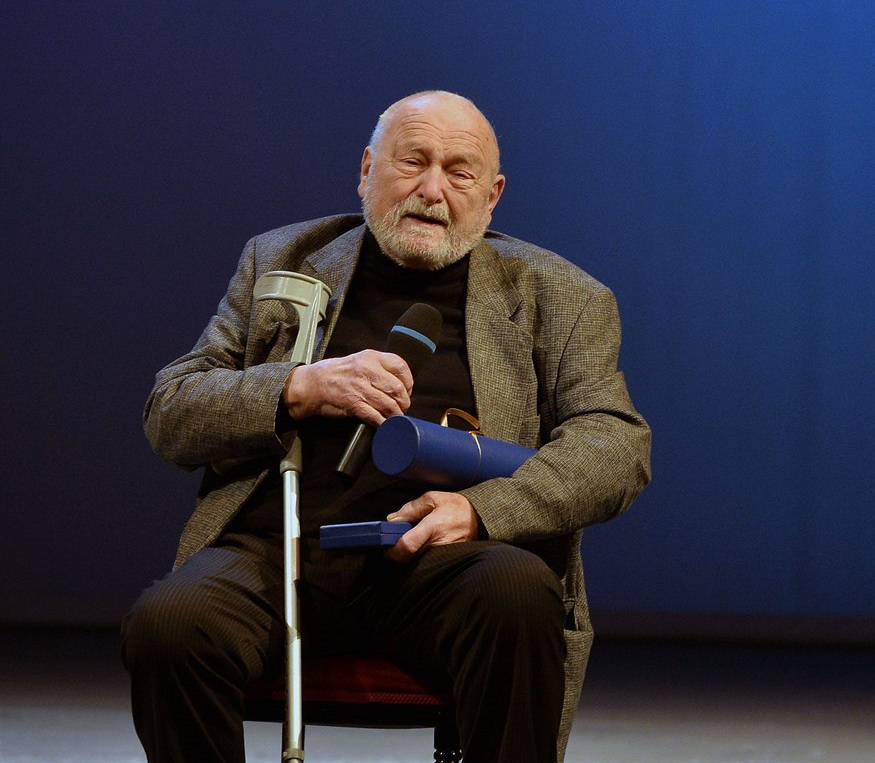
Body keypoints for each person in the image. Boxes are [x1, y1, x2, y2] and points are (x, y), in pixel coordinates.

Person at [122, 90, 651, 763]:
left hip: (441, 561)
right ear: (367, 169)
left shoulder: (562, 296)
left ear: (492, 196)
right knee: (169, 625)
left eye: (459, 173)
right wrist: (296, 387)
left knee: (517, 592)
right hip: (279, 551)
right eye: (412, 162)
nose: (432, 190)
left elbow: (616, 443)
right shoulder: (281, 260)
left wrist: (481, 512)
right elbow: (171, 410)